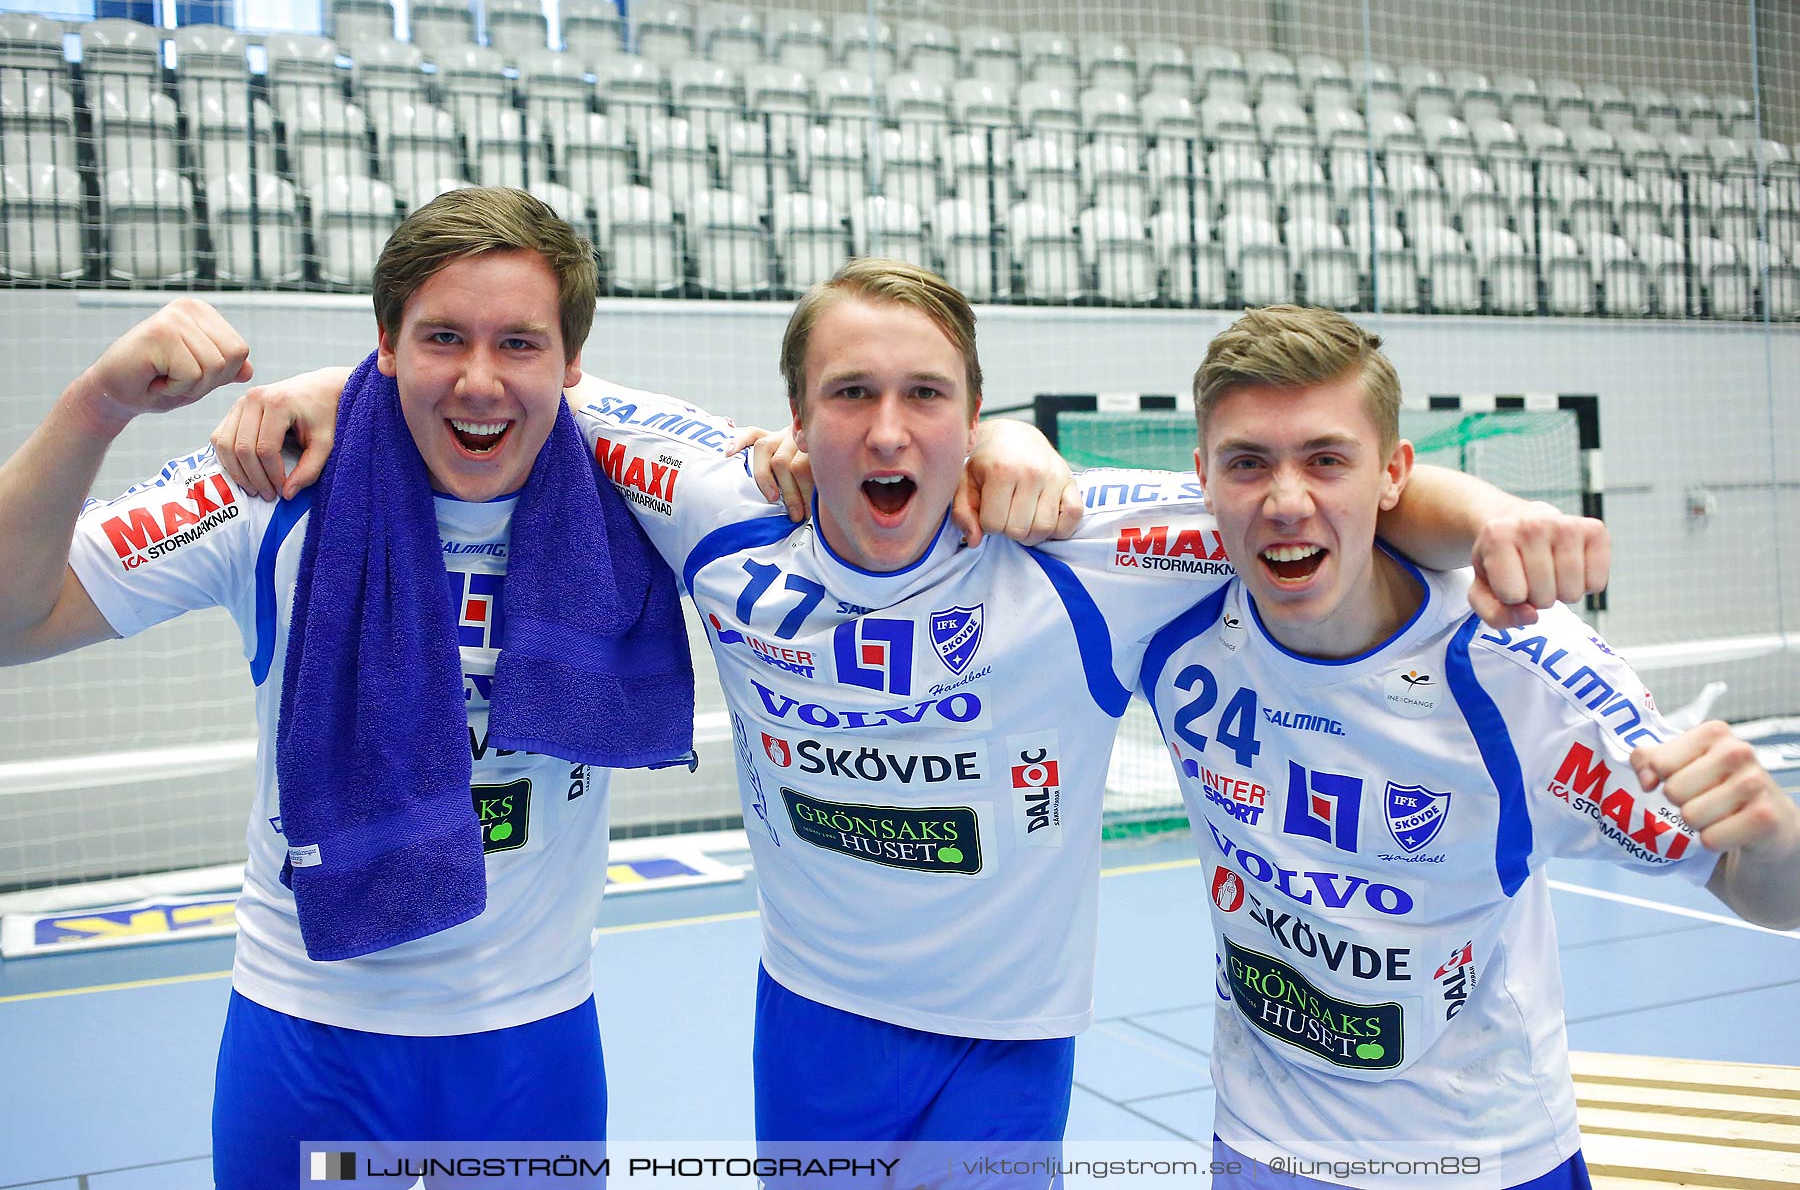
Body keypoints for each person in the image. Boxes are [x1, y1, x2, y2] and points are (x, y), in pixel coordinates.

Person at [214, 259, 1611, 1167]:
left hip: (1004, 1042)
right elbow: (528, 385)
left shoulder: (1078, 549)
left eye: (929, 398)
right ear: (791, 420)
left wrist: (1489, 513)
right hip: (811, 1021)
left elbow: (1312, 501)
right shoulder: (720, 513)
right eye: (849, 396)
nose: (888, 431)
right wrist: (342, 387)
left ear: (975, 415)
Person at [0, 187, 705, 1187]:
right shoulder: (277, 485)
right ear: (385, 343)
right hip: (309, 1029)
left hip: (527, 1041)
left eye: (518, 344)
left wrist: (1004, 441)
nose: (477, 380)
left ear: (571, 365)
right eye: (442, 338)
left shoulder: (632, 490)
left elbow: (829, 472)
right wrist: (99, 403)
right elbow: (12, 618)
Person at [1136, 305, 1800, 1189]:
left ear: (1393, 477)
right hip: (1262, 1147)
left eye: (1328, 460)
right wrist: (1010, 444)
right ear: (1203, 479)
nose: (1285, 500)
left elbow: (1771, 899)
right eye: (1248, 462)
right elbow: (998, 484)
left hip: (1483, 1160)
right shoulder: (1164, 590)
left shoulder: (1530, 684)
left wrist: (1774, 835)